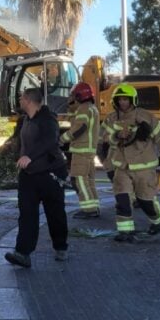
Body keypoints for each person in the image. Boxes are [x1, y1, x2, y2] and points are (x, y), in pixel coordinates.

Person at [4, 88, 69, 268]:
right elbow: (20, 142)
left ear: (29, 100)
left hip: (51, 174)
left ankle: (61, 247)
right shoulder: (25, 120)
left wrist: (29, 156)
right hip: (29, 176)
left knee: (54, 213)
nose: (19, 101)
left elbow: (49, 141)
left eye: (21, 98)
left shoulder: (49, 120)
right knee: (27, 214)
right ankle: (23, 253)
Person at [102, 84, 160, 243]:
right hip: (122, 167)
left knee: (145, 202)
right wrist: (117, 136)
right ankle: (125, 231)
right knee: (122, 199)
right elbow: (104, 138)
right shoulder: (111, 119)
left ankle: (158, 218)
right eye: (120, 99)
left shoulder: (147, 117)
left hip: (145, 168)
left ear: (133, 100)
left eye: (126, 99)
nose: (123, 102)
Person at [61, 83, 101, 219]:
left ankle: (88, 210)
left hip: (81, 150)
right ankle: (94, 206)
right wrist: (71, 107)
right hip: (89, 150)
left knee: (79, 180)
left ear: (79, 96)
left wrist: (62, 139)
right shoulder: (91, 108)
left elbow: (79, 128)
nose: (71, 97)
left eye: (73, 95)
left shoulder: (84, 109)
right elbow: (75, 120)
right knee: (89, 180)